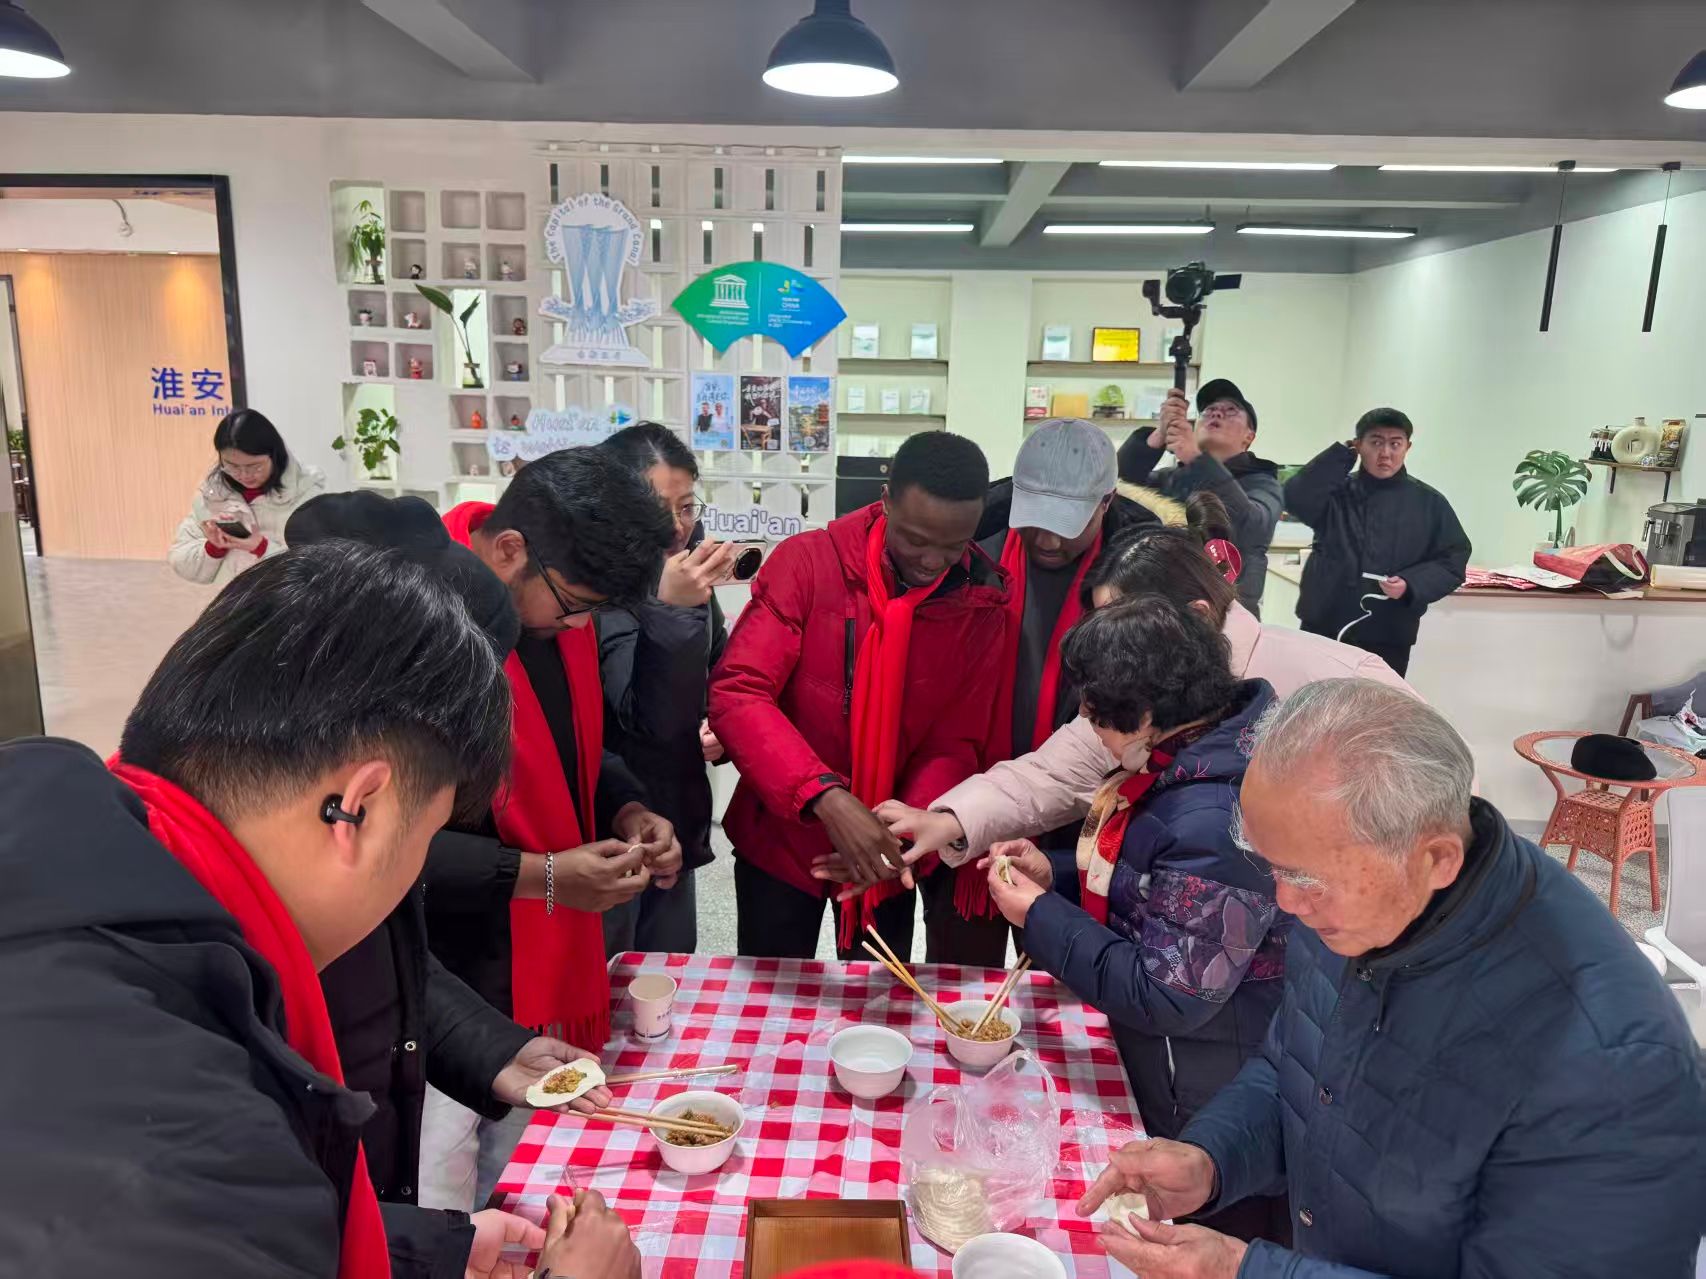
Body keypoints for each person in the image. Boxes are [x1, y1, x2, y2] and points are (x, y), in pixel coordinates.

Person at [0, 542, 629, 1278]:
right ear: (356, 808)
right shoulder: (184, 1150)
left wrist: (424, 1252)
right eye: (428, 835)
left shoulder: (80, 868)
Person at [1079, 680, 1706, 1279]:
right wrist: (1214, 1158)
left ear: (1435, 859)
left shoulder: (1615, 1066)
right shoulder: (1358, 906)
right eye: (1272, 866)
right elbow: (1297, 1068)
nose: (1285, 901)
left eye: (1307, 878)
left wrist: (1249, 1269)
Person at [285, 491, 614, 1226]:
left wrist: (495, 1050)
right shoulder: (177, 935)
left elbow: (387, 961)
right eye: (435, 822)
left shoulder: (318, 825)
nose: (426, 855)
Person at [979, 596, 1289, 1242]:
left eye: (1096, 715)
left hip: (1204, 1077)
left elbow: (1167, 993)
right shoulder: (1196, 755)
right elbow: (1154, 888)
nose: (1090, 728)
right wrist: (1053, 876)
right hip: (1183, 1053)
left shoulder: (1215, 814)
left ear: (1146, 714)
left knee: (1199, 1233)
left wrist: (1039, 914)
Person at [421, 448, 681, 1212]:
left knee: (524, 1164)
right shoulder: (420, 624)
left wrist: (628, 807)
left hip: (532, 961)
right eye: (574, 605)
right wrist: (544, 876)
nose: (580, 625)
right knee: (443, 1182)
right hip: (442, 970)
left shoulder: (555, 622)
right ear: (510, 550)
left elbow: (580, 752)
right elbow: (388, 840)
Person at [878, 524, 1413, 877]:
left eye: (1129, 627)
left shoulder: (1343, 683)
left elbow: (1426, 811)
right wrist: (948, 820)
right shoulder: (1138, 689)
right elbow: (1054, 772)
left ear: (1197, 616)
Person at [709, 430, 1010, 963]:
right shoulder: (808, 563)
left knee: (878, 994)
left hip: (889, 845)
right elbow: (740, 691)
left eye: (953, 544)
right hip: (783, 833)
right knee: (775, 989)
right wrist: (826, 798)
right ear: (886, 499)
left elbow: (956, 740)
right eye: (916, 538)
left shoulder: (980, 602)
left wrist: (901, 832)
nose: (932, 560)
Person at [598, 421, 735, 955]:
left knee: (671, 969)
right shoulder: (593, 586)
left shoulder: (685, 575)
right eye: (660, 509)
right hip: (609, 819)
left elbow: (718, 670)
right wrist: (671, 608)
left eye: (687, 507)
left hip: (678, 806)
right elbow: (636, 715)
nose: (678, 526)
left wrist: (722, 725)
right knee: (615, 972)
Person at [1284, 407, 1470, 677]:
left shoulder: (1429, 503)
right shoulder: (1335, 494)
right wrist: (1340, 456)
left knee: (1378, 702)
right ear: (1359, 445)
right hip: (1324, 623)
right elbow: (1294, 497)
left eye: (1395, 444)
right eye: (1376, 442)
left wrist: (1410, 584)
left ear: (1407, 447)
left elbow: (1453, 559)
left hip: (1389, 631)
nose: (1385, 453)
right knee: (1313, 697)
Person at [1117, 379, 1282, 616]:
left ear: (1249, 436)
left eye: (1231, 410)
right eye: (1208, 410)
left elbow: (1249, 527)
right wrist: (1158, 435)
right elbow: (1118, 491)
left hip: (1226, 619)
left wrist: (1196, 460)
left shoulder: (1262, 483)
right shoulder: (1168, 479)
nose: (1216, 413)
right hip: (1159, 615)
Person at [169, 407, 326, 583]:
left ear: (274, 455)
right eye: (232, 466)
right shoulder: (213, 495)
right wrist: (213, 548)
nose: (243, 475)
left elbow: (319, 569)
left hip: (282, 599)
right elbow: (180, 558)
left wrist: (262, 547)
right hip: (231, 597)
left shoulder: (307, 495)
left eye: (254, 467)